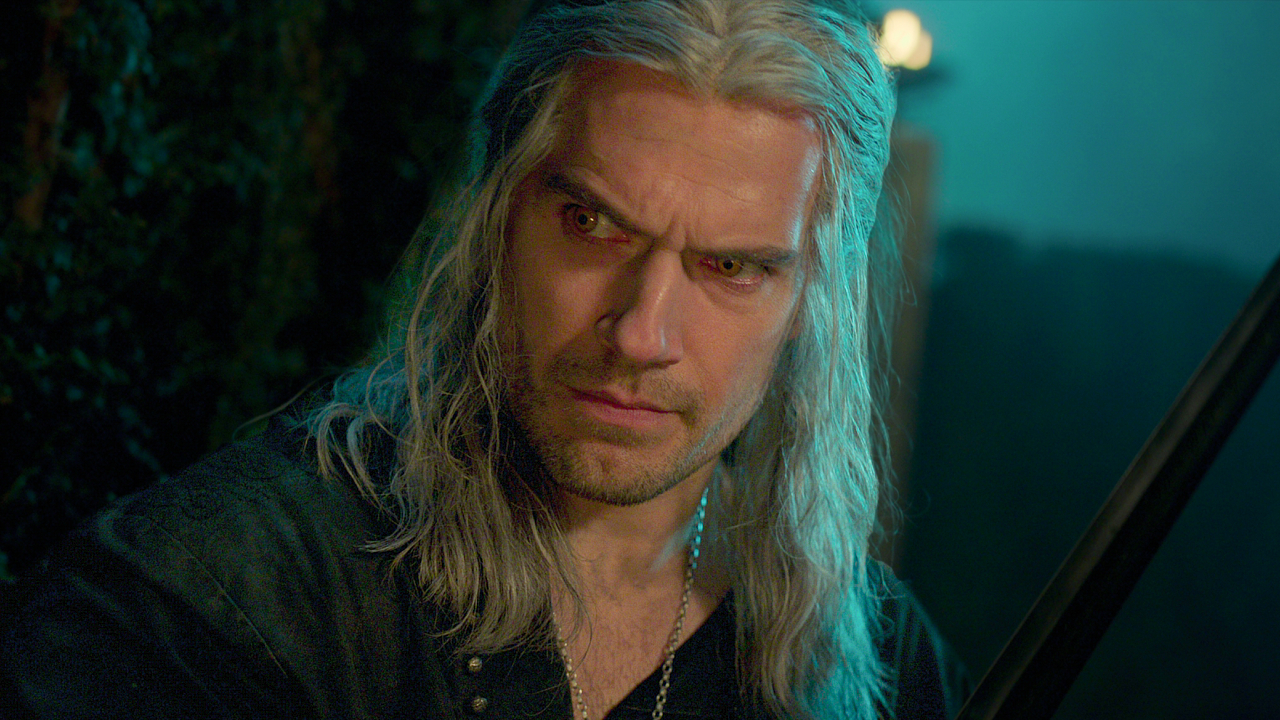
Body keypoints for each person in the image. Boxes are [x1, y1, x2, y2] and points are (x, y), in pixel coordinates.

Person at [2, 0, 969, 717]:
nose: (642, 334)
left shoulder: (883, 665)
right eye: (592, 224)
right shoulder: (219, 596)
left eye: (731, 267)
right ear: (494, 218)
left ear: (810, 302)